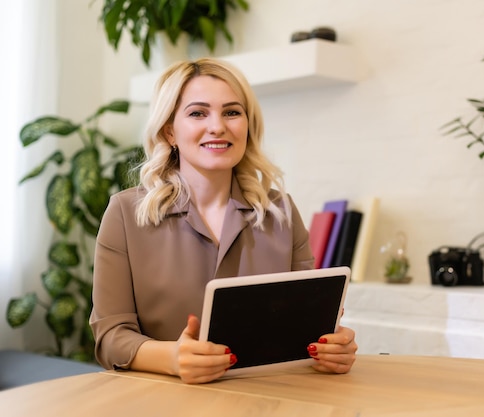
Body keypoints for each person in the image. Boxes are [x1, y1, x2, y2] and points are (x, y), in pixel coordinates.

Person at [89, 58, 358, 384]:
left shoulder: (281, 212)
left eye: (232, 112)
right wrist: (173, 358)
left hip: (267, 399)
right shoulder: (124, 213)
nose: (217, 126)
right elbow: (111, 337)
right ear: (169, 131)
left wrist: (332, 346)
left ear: (247, 125)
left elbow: (303, 325)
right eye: (198, 113)